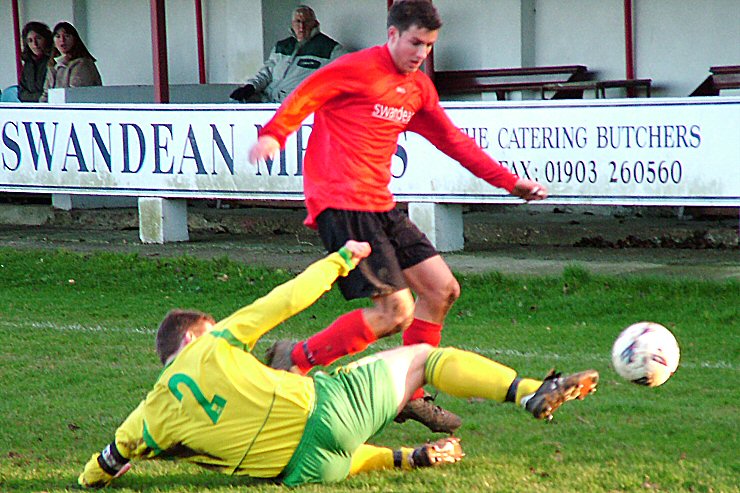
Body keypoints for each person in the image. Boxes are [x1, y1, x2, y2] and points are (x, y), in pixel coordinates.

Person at [248, 0, 549, 434]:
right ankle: (295, 359)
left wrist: (508, 182)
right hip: (341, 202)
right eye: (414, 42)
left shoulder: (417, 89)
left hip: (381, 205)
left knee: (442, 290)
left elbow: (452, 140)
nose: (420, 53)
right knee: (394, 310)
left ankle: (411, 394)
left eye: (428, 45)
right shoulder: (354, 69)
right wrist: (275, 134)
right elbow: (306, 95)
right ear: (392, 35)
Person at [77, 241, 599, 488]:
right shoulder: (211, 346)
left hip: (305, 471)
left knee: (304, 451)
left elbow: (97, 470)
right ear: (194, 336)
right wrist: (341, 260)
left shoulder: (146, 418)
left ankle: (409, 458)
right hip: (327, 410)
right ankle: (530, 391)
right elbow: (285, 300)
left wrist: (102, 472)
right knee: (423, 356)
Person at [229, 5, 346, 103]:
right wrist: (251, 86)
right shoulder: (282, 46)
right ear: (292, 24)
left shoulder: (330, 48)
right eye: (298, 22)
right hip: (267, 100)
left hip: (294, 106)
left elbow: (349, 71)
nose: (302, 26)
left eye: (306, 22)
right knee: (234, 100)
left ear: (315, 23)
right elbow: (266, 73)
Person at [39, 21, 101, 103]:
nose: (62, 40)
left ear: (74, 39)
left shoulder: (82, 64)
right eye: (58, 36)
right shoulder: (53, 64)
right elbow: (46, 94)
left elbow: (76, 95)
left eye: (67, 36)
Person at [18, 21, 53, 102]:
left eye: (38, 38)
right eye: (30, 40)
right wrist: (39, 96)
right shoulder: (28, 64)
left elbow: (53, 93)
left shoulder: (54, 61)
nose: (35, 44)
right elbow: (21, 93)